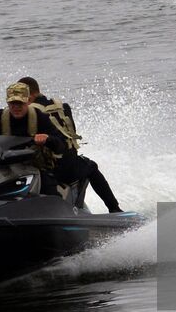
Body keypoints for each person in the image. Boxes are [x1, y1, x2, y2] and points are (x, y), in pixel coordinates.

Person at [17, 76, 126, 214]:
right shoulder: (62, 107)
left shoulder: (30, 113)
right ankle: (114, 208)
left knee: (90, 166)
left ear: (29, 95)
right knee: (91, 167)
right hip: (69, 162)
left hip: (50, 170)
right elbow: (71, 134)